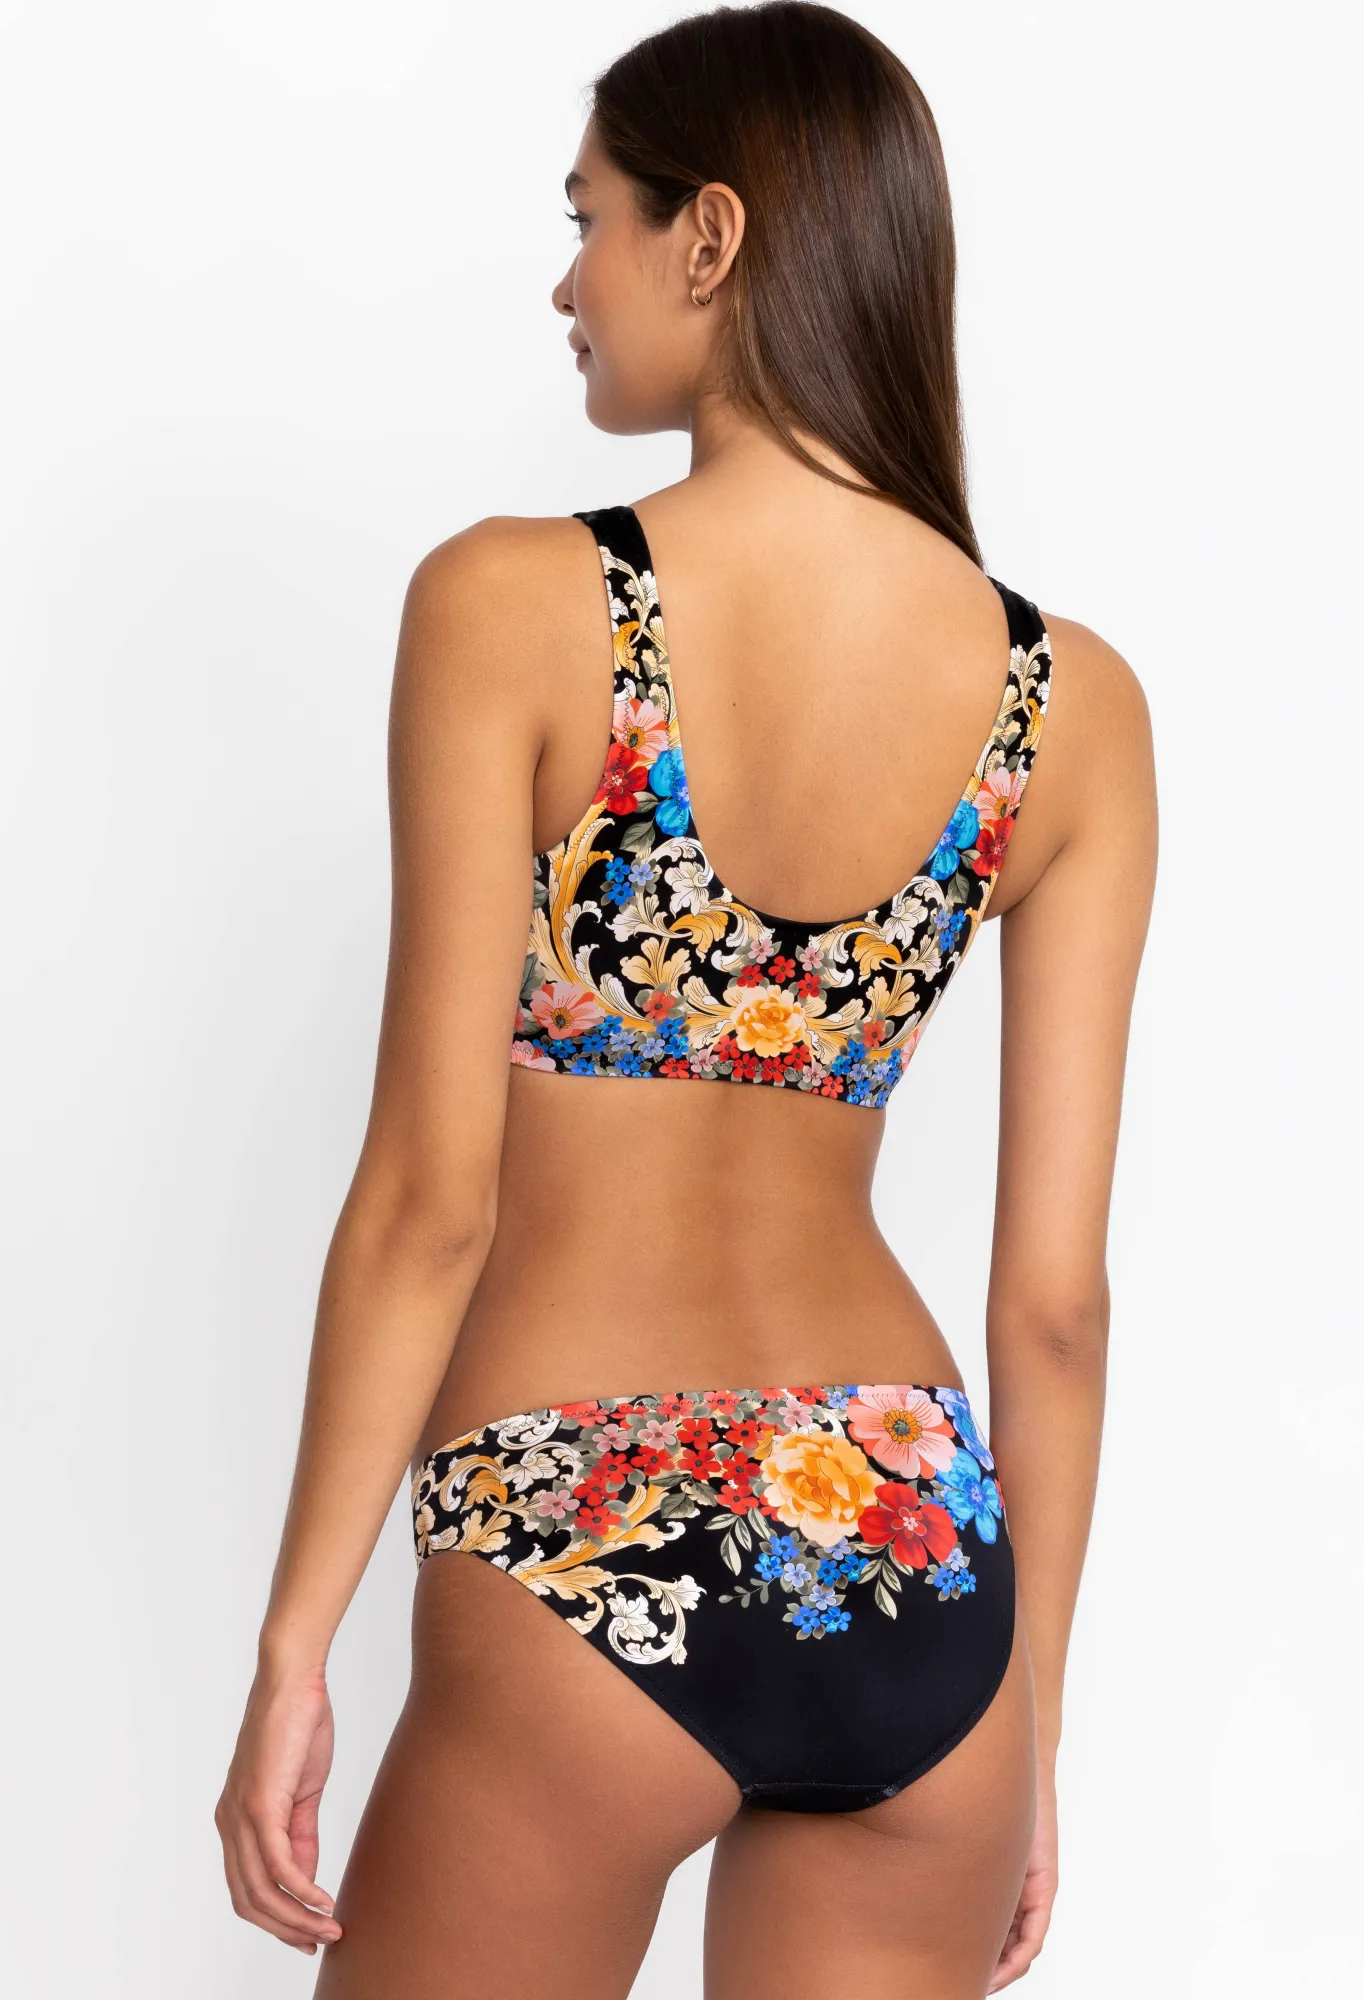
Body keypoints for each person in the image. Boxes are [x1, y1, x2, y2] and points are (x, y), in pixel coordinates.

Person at [215, 5, 1157, 1994]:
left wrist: (295, 1641)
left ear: (707, 236)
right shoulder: (1065, 706)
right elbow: (1058, 1307)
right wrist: (1031, 1728)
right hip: (909, 1551)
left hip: (583, 1534)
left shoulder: (512, 602)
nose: (567, 284)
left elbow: (429, 1201)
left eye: (590, 221)